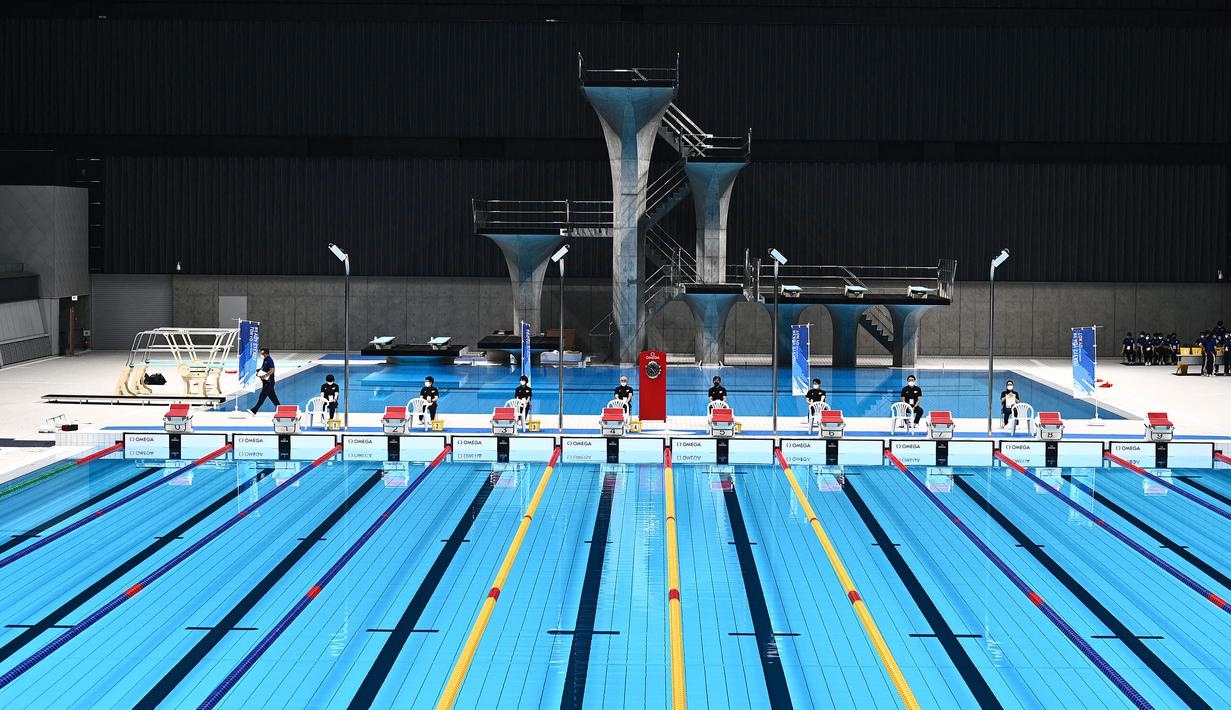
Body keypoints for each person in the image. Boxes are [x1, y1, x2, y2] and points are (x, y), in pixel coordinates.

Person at [249, 348, 280, 414]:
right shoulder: (265, 359)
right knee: (273, 398)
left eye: (262, 353)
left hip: (269, 382)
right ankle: (280, 409)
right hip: (266, 382)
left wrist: (264, 376)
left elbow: (272, 370)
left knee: (262, 396)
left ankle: (254, 410)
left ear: (265, 353)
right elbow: (263, 368)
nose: (261, 354)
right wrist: (256, 370)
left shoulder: (269, 360)